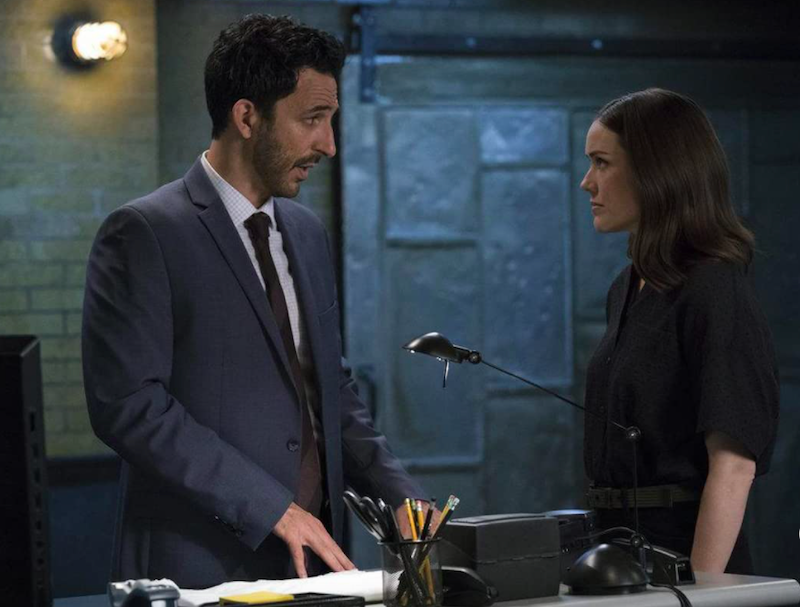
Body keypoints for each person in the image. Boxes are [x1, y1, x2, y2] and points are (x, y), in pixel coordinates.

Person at [82, 14, 427, 588]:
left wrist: (405, 501)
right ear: (246, 117)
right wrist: (271, 510)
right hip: (197, 569)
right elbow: (130, 406)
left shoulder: (307, 233)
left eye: (332, 120)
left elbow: (330, 390)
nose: (329, 144)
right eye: (313, 119)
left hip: (315, 564)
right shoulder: (143, 232)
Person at [579, 88, 779, 574]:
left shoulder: (713, 286)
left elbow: (734, 465)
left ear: (655, 171)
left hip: (683, 563)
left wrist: (699, 594)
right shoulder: (625, 287)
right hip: (617, 555)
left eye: (602, 163)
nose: (587, 183)